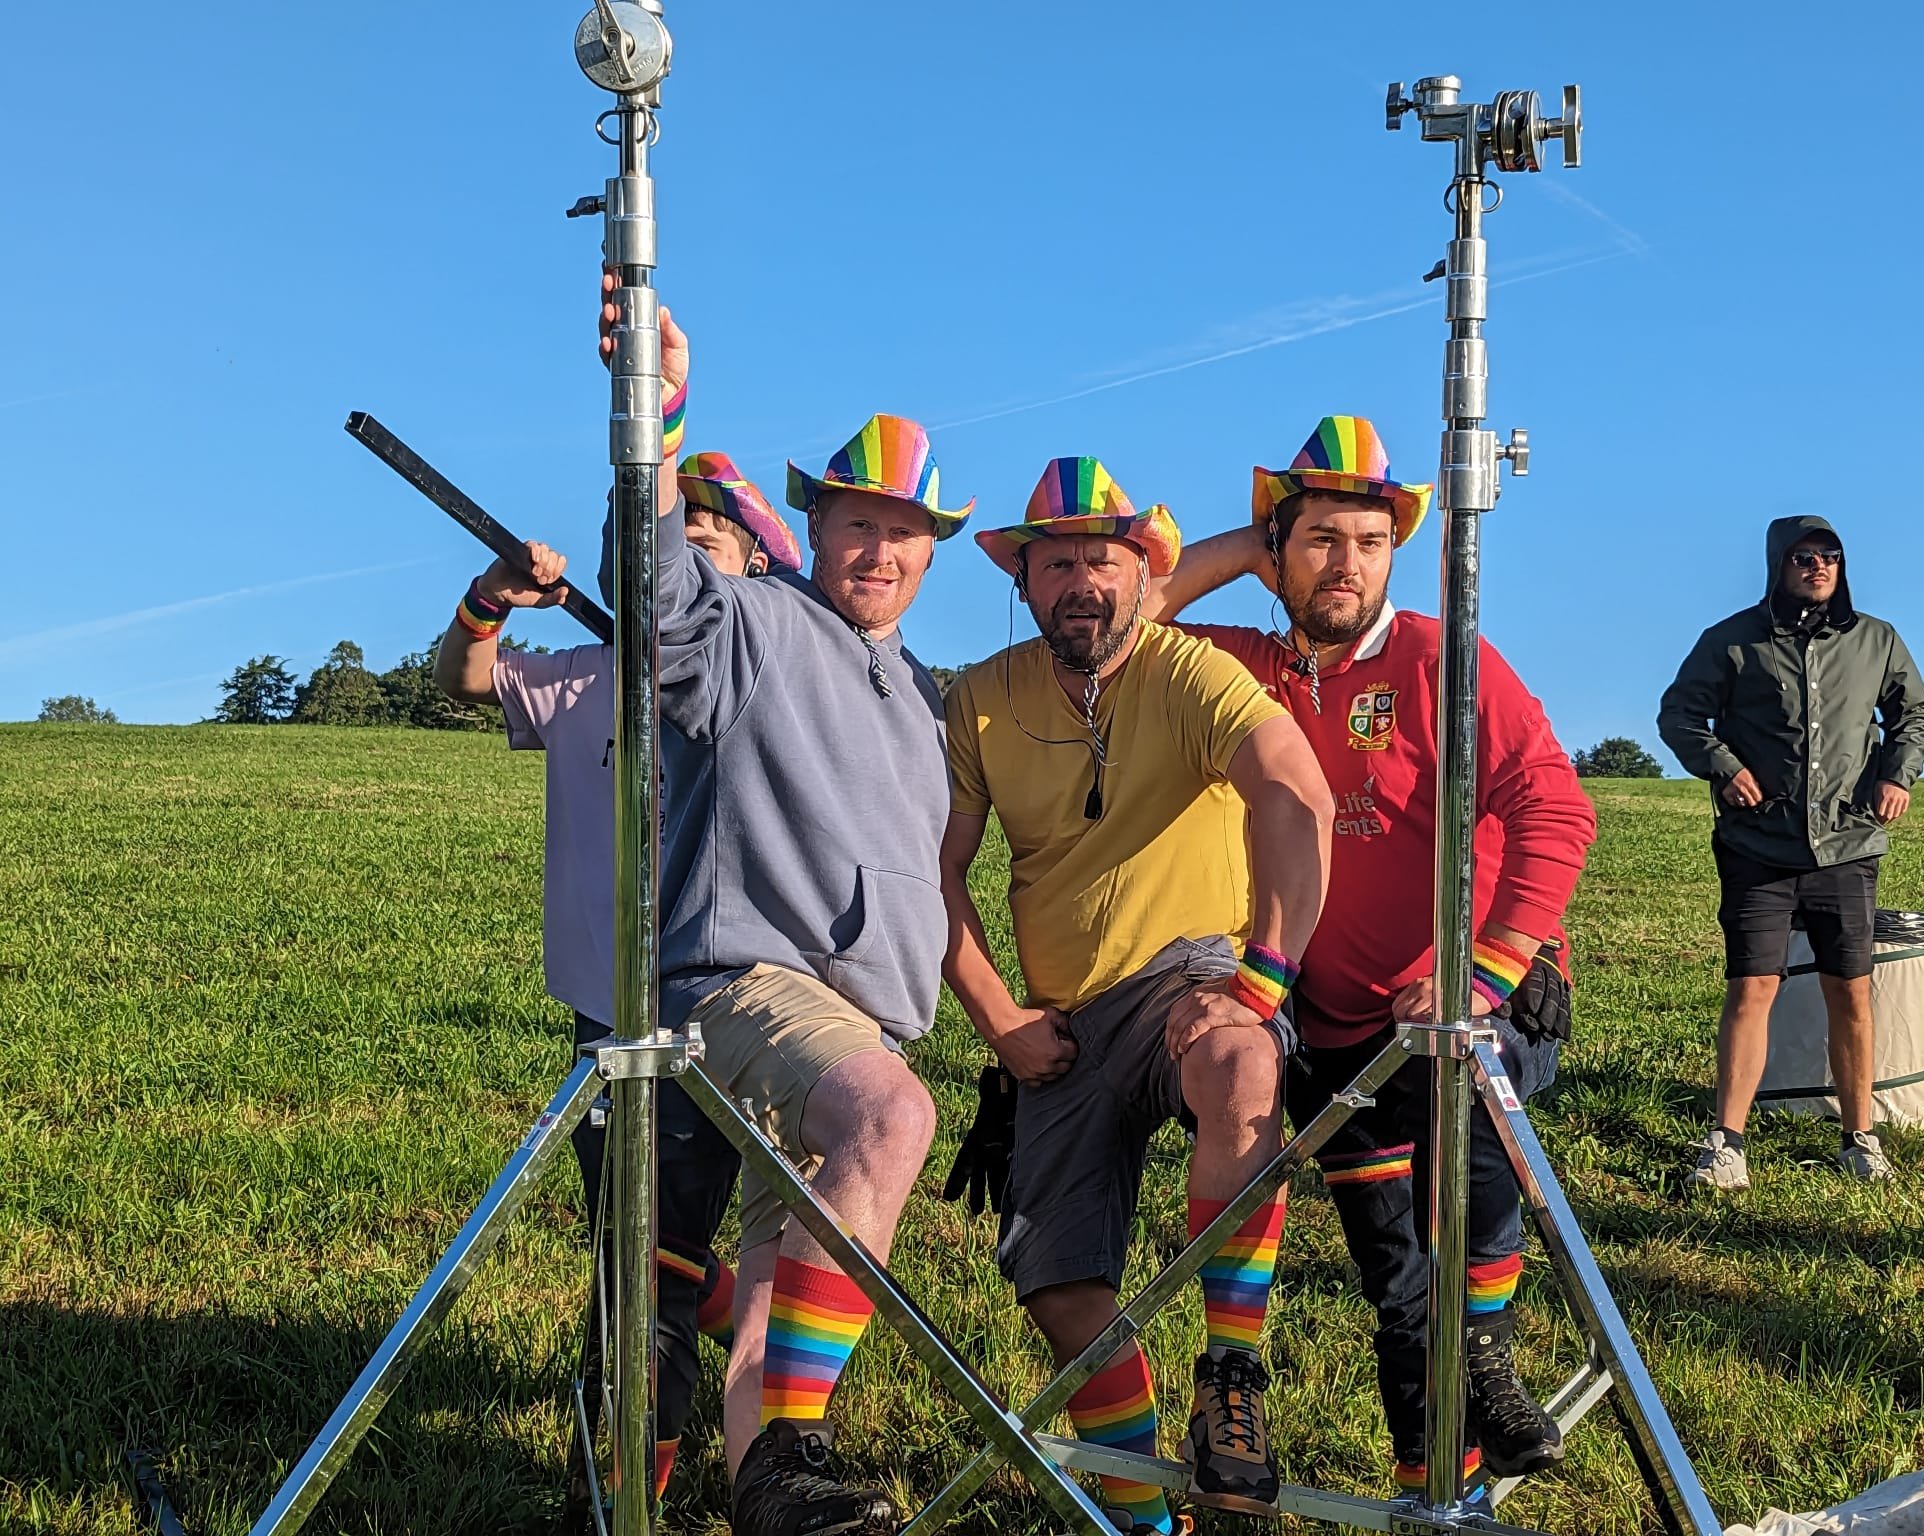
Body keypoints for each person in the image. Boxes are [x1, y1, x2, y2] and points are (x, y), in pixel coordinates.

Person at [1146, 416, 1598, 1496]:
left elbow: (1556, 810)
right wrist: (1249, 543)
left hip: (1473, 1002)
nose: (1346, 563)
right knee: (1397, 1280)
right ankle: (1428, 1488)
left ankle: (1484, 1348)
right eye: (1317, 542)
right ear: (1277, 554)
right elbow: (1132, 616)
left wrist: (1484, 964)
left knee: (1461, 1110)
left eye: (1368, 540)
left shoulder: (1443, 658)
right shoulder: (1244, 670)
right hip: (1340, 1030)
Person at [433, 309, 802, 1503]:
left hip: (749, 1000)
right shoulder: (585, 674)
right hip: (608, 1013)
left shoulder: (767, 672)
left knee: (744, 1243)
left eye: (717, 531)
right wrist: (489, 599)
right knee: (634, 1263)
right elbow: (466, 681)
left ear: (755, 561)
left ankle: (755, 1448)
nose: (694, 541)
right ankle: (632, 1482)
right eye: (679, 522)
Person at [613, 320, 975, 1533]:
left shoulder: (929, 699)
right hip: (742, 983)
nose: (879, 548)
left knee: (772, 1291)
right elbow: (657, 602)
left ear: (934, 552)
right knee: (893, 1118)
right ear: (813, 526)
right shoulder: (756, 624)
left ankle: (772, 1498)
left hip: (862, 1013)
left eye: (904, 530)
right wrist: (653, 420)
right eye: (857, 522)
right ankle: (794, 1455)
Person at [940, 455, 1334, 1533]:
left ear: (1145, 572)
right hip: (1058, 1019)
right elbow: (929, 870)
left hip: (1192, 973)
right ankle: (1150, 1517)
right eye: (1056, 560)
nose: (1082, 581)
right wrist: (1000, 1020)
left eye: (1104, 559)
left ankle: (1231, 1381)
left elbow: (1295, 792)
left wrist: (1261, 977)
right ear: (1023, 583)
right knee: (1059, 1292)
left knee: (1243, 1061)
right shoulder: (979, 697)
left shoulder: (1191, 671)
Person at [1658, 515, 1924, 1188]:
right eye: (1804, 557)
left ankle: (1860, 1138)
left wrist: (1898, 772)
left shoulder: (1878, 640)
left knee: (1852, 991)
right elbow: (1680, 715)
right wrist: (1723, 766)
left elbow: (1912, 714)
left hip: (1847, 845)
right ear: (1778, 564)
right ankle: (1727, 1143)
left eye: (1830, 556)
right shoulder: (1731, 643)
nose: (1818, 567)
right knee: (1753, 987)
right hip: (1758, 845)